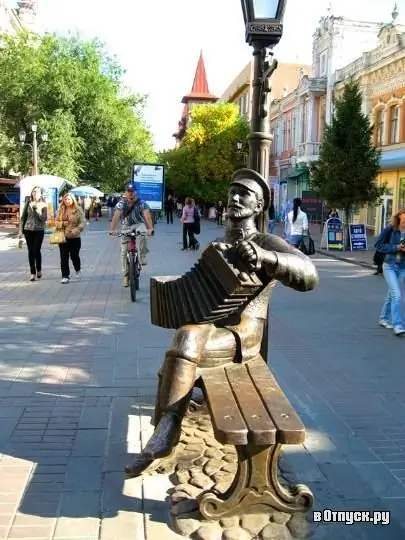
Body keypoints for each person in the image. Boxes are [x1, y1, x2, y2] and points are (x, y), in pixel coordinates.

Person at [125, 168, 319, 477]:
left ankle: (167, 430)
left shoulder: (267, 242)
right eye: (232, 191)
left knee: (187, 337)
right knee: (187, 336)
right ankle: (167, 425)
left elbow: (309, 274)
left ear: (258, 207)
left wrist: (267, 259)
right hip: (211, 328)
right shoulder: (216, 244)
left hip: (243, 333)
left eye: (245, 194)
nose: (236, 197)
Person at [109, 184, 154, 287]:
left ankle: (142, 256)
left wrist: (150, 228)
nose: (131, 193)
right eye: (128, 191)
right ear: (125, 193)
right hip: (126, 226)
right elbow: (116, 216)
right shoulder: (121, 203)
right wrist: (112, 230)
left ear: (136, 192)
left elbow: (147, 216)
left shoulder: (142, 203)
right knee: (123, 252)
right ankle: (125, 276)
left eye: (132, 191)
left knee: (143, 234)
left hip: (139, 224)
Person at [375, 209, 405, 336]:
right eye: (404, 220)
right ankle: (397, 325)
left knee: (392, 295)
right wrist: (395, 247)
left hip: (403, 267)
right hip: (389, 265)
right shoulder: (390, 230)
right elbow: (378, 245)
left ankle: (384, 318)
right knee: (397, 295)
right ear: (399, 219)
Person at [55, 193, 86, 284]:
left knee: (74, 255)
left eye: (69, 199)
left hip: (75, 236)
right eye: (65, 199)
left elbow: (83, 222)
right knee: (64, 256)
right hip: (63, 236)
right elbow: (55, 221)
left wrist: (77, 230)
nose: (67, 201)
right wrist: (61, 224)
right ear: (63, 200)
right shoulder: (61, 209)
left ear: (72, 200)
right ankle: (65, 276)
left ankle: (77, 269)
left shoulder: (78, 209)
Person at [18, 186, 47, 281]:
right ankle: (32, 272)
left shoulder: (44, 205)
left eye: (37, 192)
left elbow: (44, 219)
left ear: (40, 194)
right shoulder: (28, 203)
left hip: (39, 230)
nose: (35, 193)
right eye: (33, 192)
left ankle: (39, 269)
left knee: (36, 250)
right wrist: (20, 232)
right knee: (30, 251)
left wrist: (37, 211)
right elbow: (23, 218)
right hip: (28, 230)